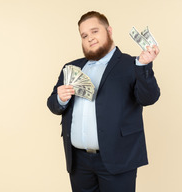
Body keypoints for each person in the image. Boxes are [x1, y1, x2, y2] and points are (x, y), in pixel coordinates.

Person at [47, 11, 160, 192]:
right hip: (79, 162)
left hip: (118, 159)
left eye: (94, 31)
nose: (90, 38)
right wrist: (60, 99)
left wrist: (144, 66)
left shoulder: (132, 64)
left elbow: (149, 98)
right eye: (84, 35)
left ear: (109, 31)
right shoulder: (71, 67)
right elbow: (53, 105)